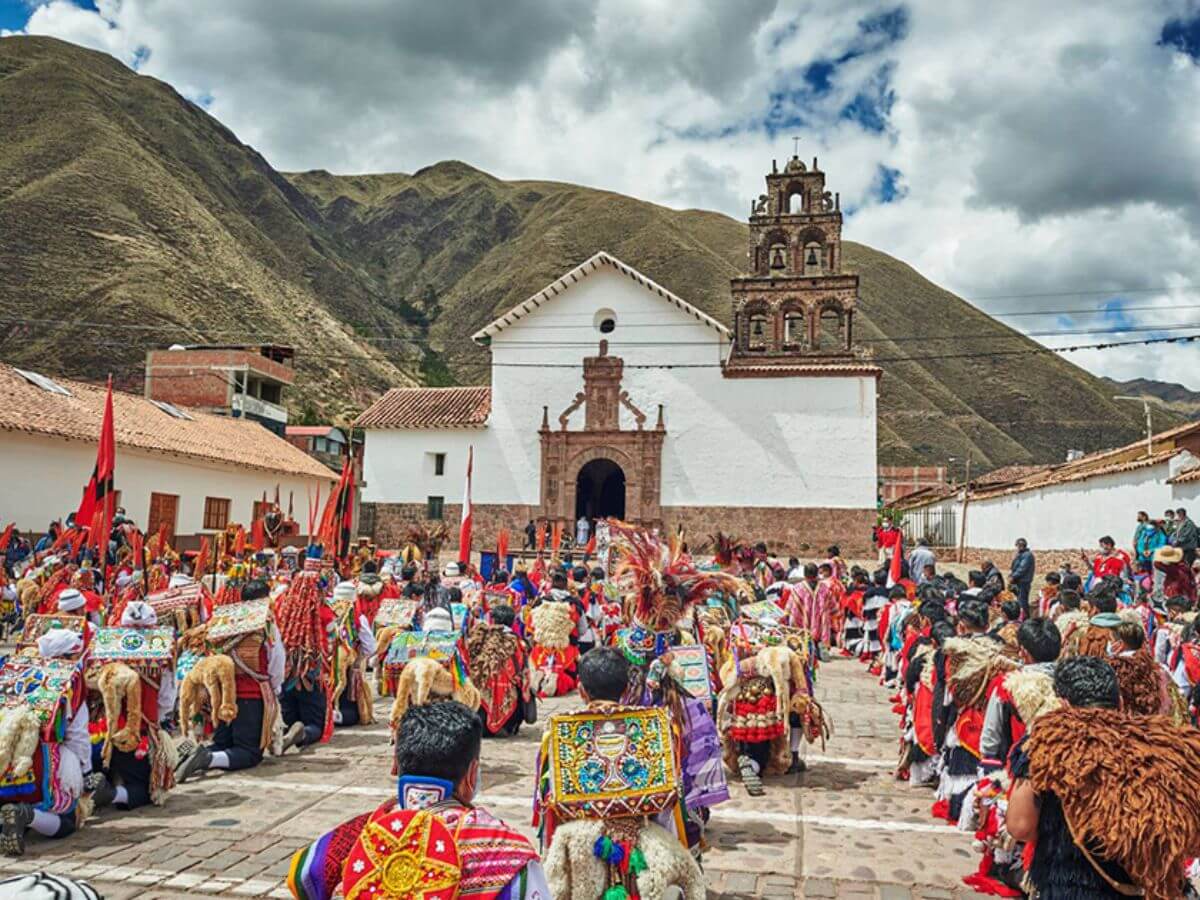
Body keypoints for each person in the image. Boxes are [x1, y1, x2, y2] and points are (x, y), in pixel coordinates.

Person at [287, 702, 546, 900]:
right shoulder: (505, 850)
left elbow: (303, 876)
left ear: (396, 765)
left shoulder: (358, 833)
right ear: (471, 775)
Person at [1007, 656, 1200, 899]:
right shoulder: (1160, 745)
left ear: (1062, 704)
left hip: (1066, 886)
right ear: (1119, 701)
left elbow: (1020, 826)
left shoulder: (1045, 745)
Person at [175, 578, 285, 780]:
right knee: (249, 753)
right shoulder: (267, 623)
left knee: (223, 743)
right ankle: (206, 759)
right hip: (251, 695)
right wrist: (274, 687)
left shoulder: (221, 620)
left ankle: (199, 755)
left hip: (220, 694)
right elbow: (276, 661)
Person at [1009, 538, 1035, 615]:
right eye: (1017, 545)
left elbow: (1022, 568)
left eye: (1020, 545)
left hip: (1023, 581)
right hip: (1019, 581)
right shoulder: (1021, 554)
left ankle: (1024, 617)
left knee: (1022, 601)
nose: (1018, 547)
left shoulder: (1027, 555)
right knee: (1019, 600)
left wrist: (1013, 576)